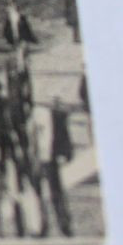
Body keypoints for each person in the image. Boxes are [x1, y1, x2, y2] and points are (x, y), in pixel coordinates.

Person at [27, 101, 74, 237]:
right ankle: (42, 225)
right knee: (39, 194)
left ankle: (62, 224)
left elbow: (63, 136)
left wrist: (64, 154)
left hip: (48, 159)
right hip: (37, 159)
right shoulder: (38, 115)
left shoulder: (56, 115)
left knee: (54, 192)